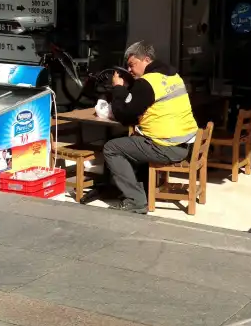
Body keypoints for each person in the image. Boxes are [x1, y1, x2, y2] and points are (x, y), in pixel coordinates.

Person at [85, 41, 198, 213]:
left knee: (111, 148)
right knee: (130, 141)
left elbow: (124, 115)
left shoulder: (147, 82)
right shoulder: (173, 76)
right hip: (183, 144)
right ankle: (133, 188)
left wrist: (118, 89)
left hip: (165, 146)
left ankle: (136, 200)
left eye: (132, 65)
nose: (129, 70)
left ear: (146, 59)